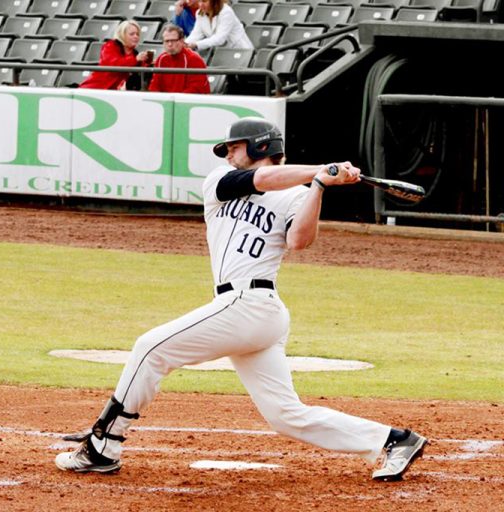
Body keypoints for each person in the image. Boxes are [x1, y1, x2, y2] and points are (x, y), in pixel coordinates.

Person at [54, 117, 428, 482]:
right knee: (285, 415)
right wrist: (319, 168)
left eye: (235, 147)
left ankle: (103, 446)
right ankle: (395, 439)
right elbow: (263, 179)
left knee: (150, 349)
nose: (229, 154)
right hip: (243, 310)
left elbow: (299, 241)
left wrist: (318, 186)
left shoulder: (297, 194)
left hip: (252, 305)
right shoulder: (220, 181)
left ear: (260, 146)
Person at [79, 19, 154, 91]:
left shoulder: (135, 54)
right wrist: (135, 59)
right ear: (122, 35)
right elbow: (114, 64)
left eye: (137, 34)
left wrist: (148, 63)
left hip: (115, 92)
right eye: (132, 34)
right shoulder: (110, 46)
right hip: (96, 88)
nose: (136, 37)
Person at [148, 23, 210, 94]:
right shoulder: (161, 59)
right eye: (167, 41)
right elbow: (154, 86)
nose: (170, 44)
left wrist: (175, 100)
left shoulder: (194, 59)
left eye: (173, 41)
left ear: (182, 41)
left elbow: (196, 89)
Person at [185, 0, 253, 52]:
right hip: (222, 53)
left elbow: (219, 39)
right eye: (199, 1)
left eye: (205, 1)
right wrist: (184, 44)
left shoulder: (226, 12)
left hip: (240, 51)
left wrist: (196, 44)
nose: (201, 5)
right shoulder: (200, 13)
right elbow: (195, 35)